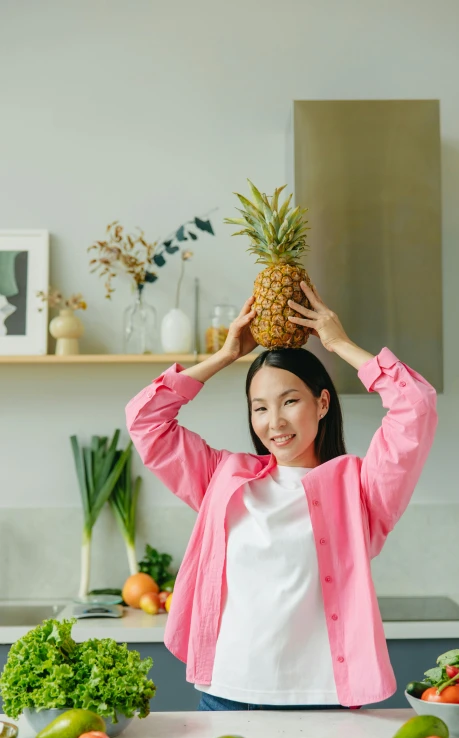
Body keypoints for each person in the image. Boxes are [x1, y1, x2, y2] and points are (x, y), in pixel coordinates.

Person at [125, 281, 438, 711]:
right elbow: (145, 421)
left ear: (322, 403)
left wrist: (339, 343)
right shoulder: (225, 478)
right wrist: (225, 356)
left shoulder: (359, 489)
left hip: (322, 700)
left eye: (290, 401)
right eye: (260, 407)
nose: (275, 422)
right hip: (226, 693)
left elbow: (415, 405)